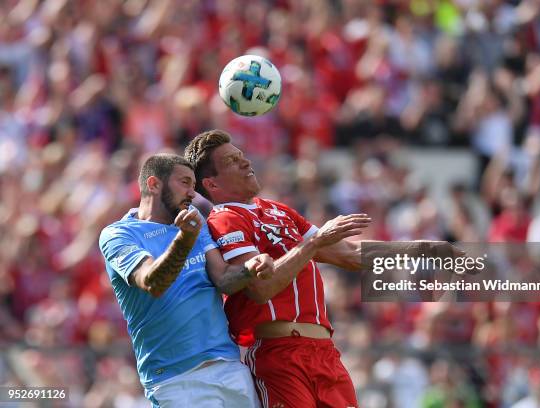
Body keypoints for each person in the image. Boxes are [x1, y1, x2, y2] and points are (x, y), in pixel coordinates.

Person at [184, 129, 463, 408]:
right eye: (232, 161)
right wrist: (314, 243)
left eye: (242, 156)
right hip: (280, 354)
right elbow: (260, 288)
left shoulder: (278, 210)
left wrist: (421, 251)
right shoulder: (224, 219)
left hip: (325, 352)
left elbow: (349, 254)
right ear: (212, 184)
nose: (246, 163)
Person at [99, 153, 276, 407]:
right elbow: (153, 282)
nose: (193, 193)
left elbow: (223, 277)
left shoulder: (193, 219)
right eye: (184, 183)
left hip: (228, 365)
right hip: (176, 379)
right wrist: (185, 239)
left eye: (194, 185)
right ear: (154, 184)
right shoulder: (119, 234)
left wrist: (250, 269)